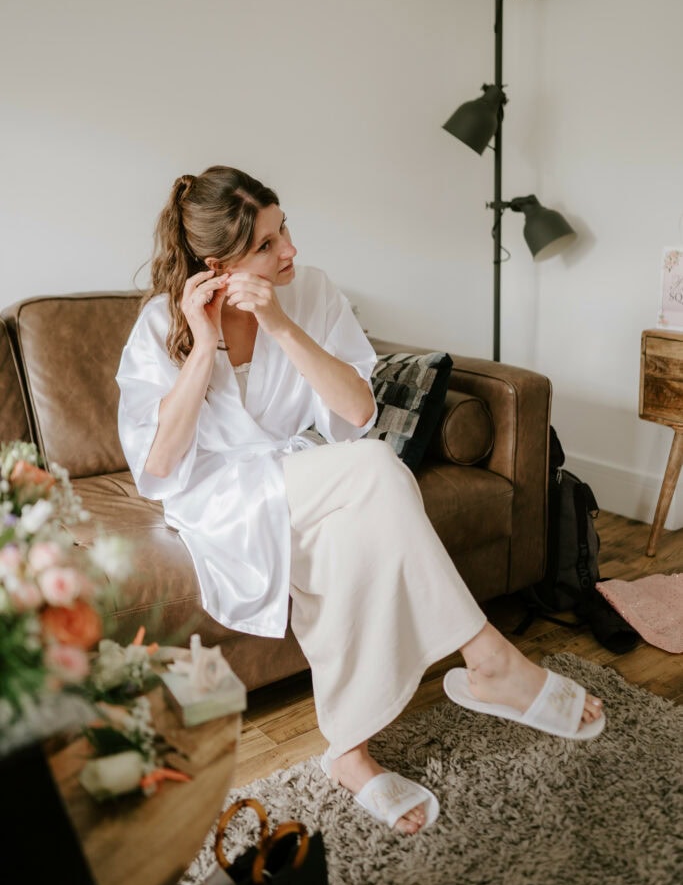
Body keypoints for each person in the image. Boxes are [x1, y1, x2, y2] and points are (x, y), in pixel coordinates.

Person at [116, 165, 605, 835]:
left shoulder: (309, 292)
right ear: (218, 263)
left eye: (283, 227)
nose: (288, 249)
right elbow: (159, 467)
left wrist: (281, 324)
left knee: (357, 516)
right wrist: (202, 347)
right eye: (265, 244)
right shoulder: (159, 323)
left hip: (303, 474)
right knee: (376, 472)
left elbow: (355, 410)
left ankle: (348, 751)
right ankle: (486, 657)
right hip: (219, 497)